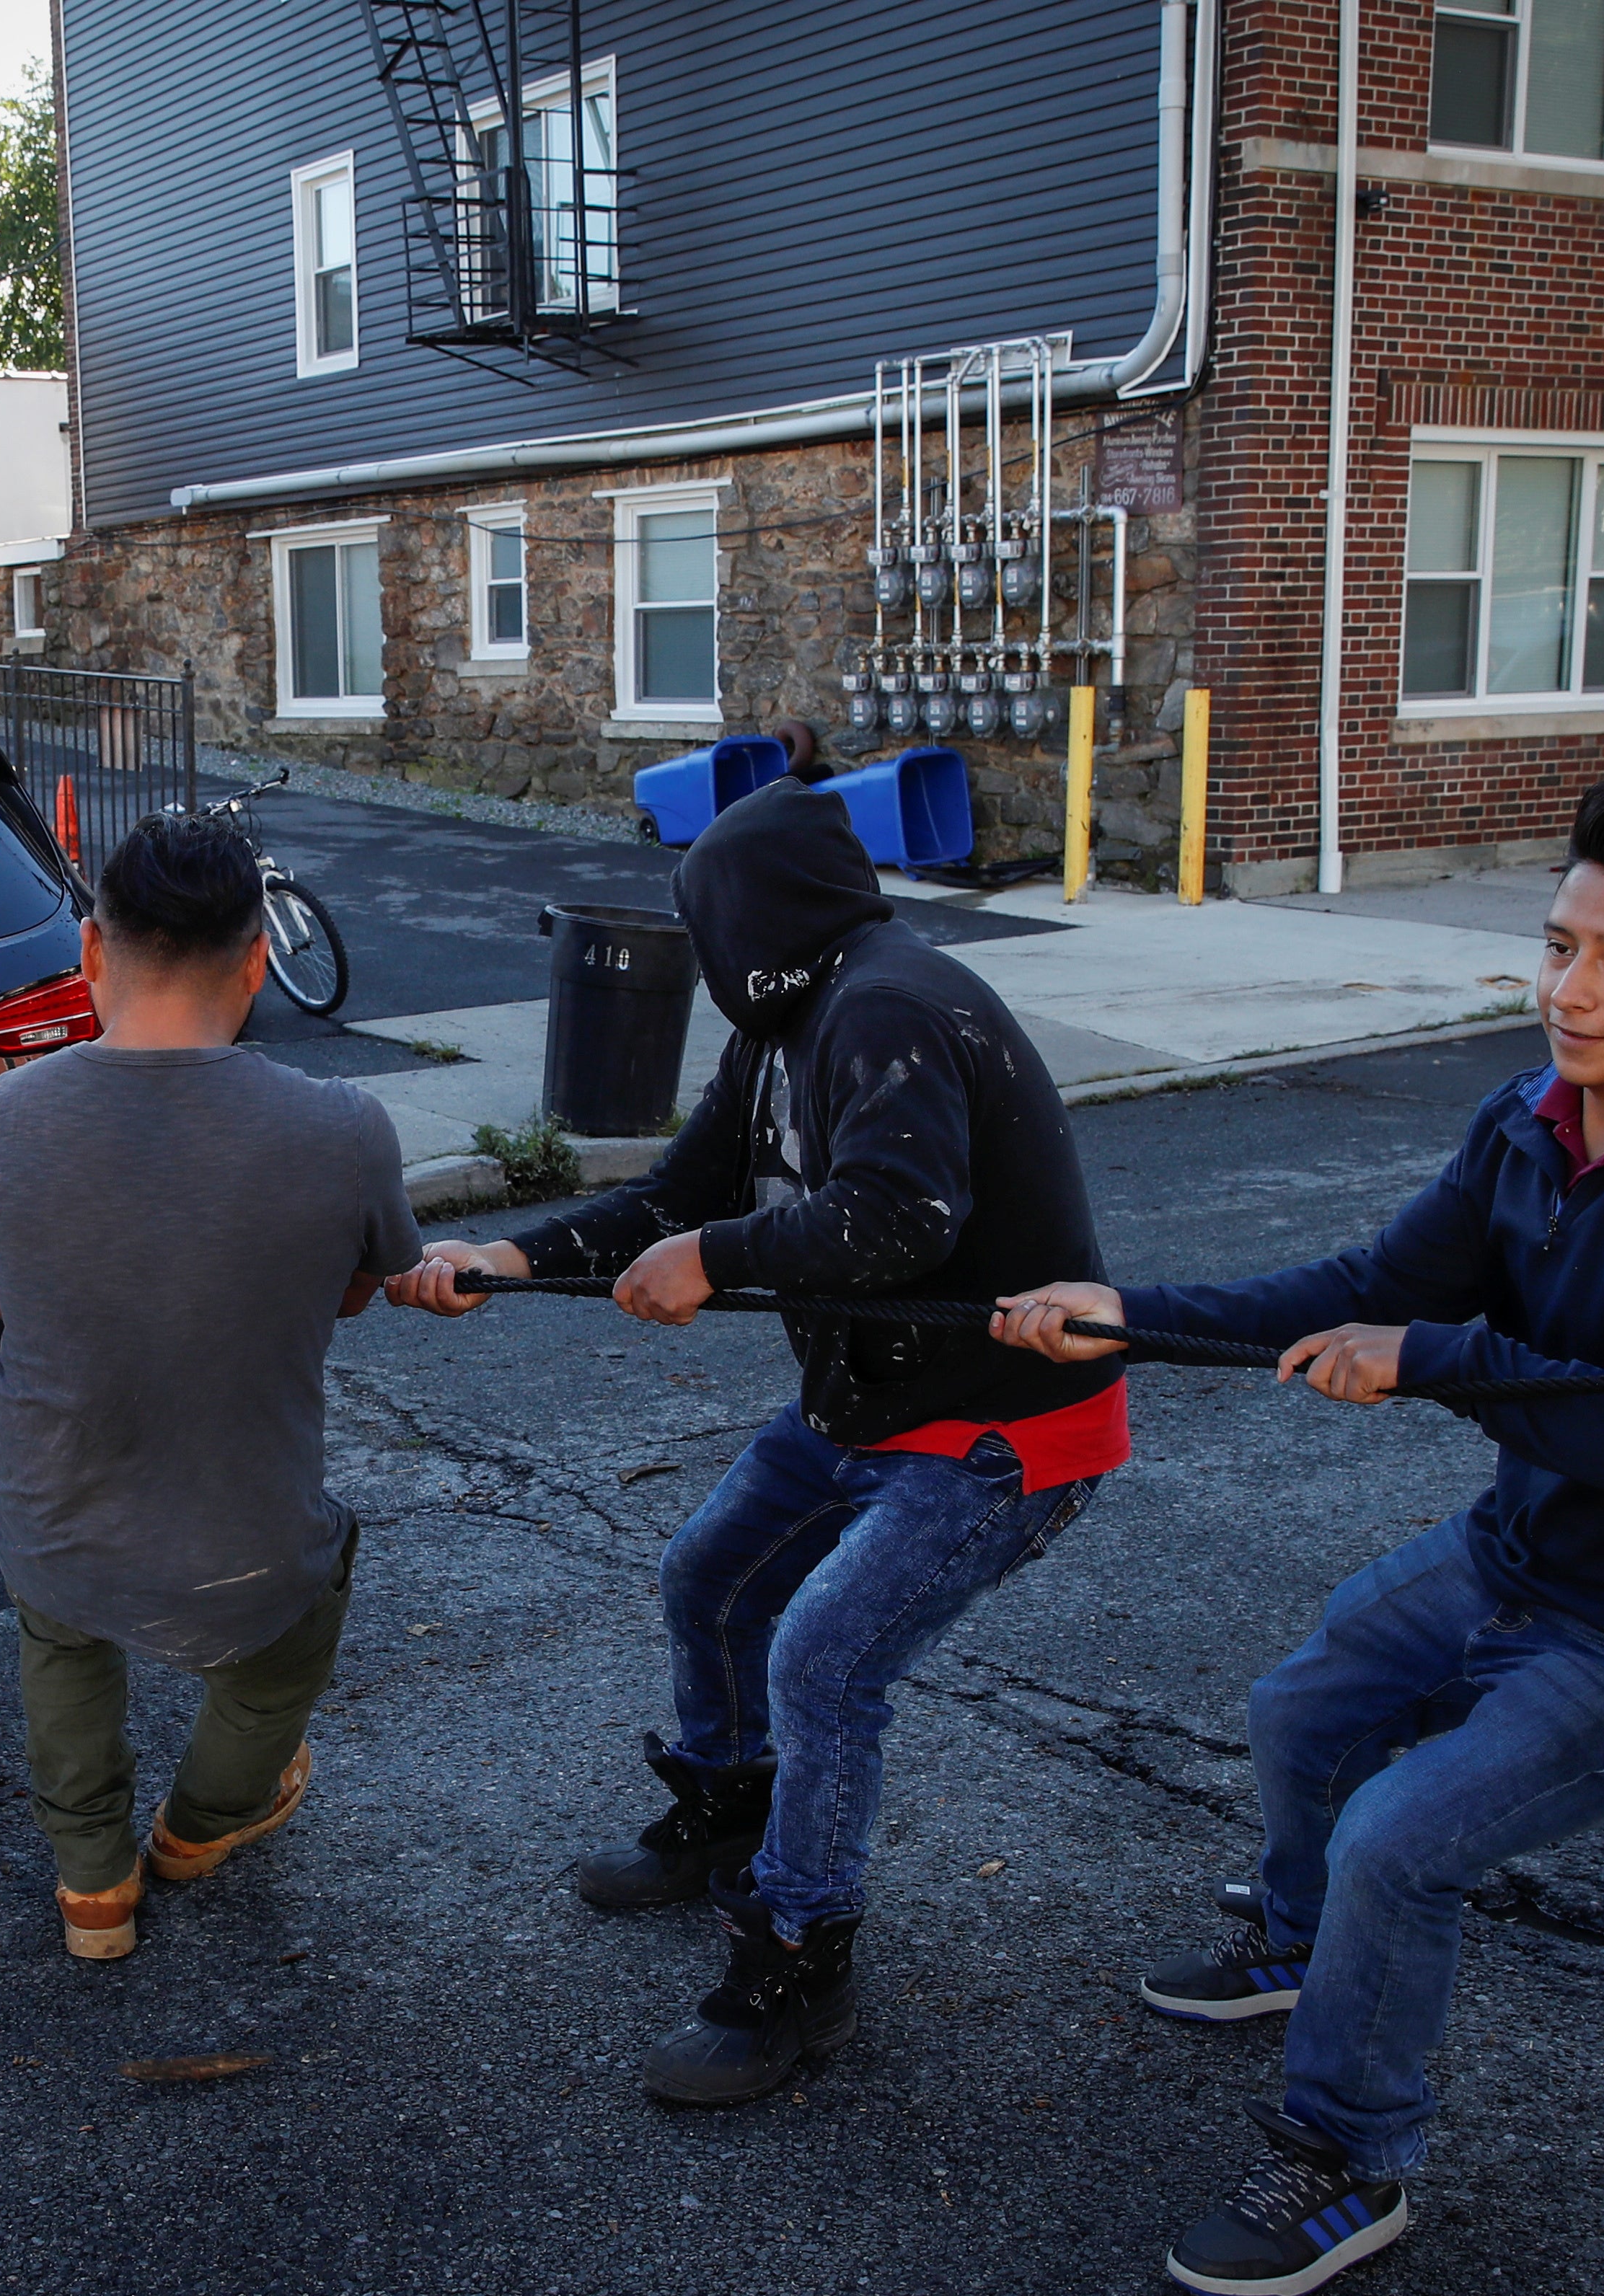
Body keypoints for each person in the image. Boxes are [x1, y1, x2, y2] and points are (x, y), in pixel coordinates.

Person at [994, 769, 1604, 2296]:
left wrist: (1444, 1361)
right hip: (1521, 1555)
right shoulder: (1527, 1123)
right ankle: (1296, 1944)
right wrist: (1127, 1318)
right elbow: (1370, 1281)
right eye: (1558, 947)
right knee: (1307, 1708)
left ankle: (1351, 2157)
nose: (1569, 993)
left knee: (1403, 1836)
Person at [387, 778, 1125, 2102]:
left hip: (1001, 1427)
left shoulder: (886, 1006)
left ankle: (798, 1954)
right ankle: (729, 1808)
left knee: (824, 1657)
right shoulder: (785, 1021)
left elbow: (902, 1216)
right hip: (864, 1399)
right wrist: (509, 1248)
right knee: (710, 1574)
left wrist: (714, 1260)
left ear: (746, 919)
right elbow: (681, 1193)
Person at [0, 813, 423, 1963]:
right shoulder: (344, 1129)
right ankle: (203, 1825)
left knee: (64, 1653)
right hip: (245, 1529)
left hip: (58, 1511)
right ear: (258, 960)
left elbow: (0, 1292)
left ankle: (93, 1887)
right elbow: (356, 1291)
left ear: (92, 954)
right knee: (282, 1648)